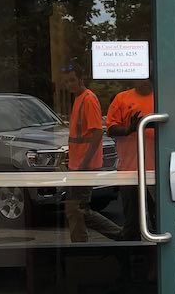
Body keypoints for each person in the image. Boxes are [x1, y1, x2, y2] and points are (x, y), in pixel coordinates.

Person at [61, 62, 121, 243]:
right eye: (66, 81)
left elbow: (96, 133)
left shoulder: (88, 99)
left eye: (72, 80)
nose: (69, 84)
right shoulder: (79, 99)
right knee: (75, 208)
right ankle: (80, 241)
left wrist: (84, 163)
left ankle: (120, 235)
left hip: (83, 166)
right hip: (77, 165)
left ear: (81, 79)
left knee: (78, 209)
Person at [106, 77, 156, 240]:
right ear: (134, 79)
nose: (145, 82)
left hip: (156, 172)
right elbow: (111, 129)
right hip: (129, 170)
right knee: (132, 222)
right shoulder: (122, 98)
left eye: (148, 78)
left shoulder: (162, 97)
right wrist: (128, 129)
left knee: (160, 219)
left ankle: (159, 259)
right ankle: (132, 259)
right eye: (141, 78)